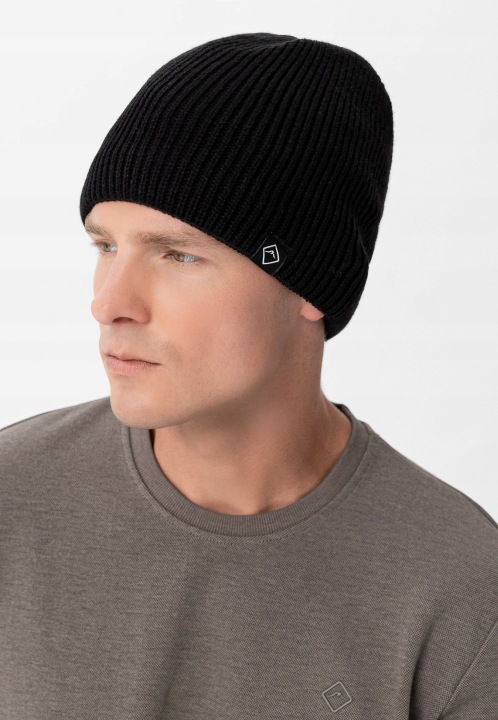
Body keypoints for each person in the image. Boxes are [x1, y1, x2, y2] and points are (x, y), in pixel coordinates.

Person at [1, 32, 496, 719]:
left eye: (177, 255)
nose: (109, 302)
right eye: (105, 245)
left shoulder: (459, 584)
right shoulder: (11, 503)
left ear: (310, 283)